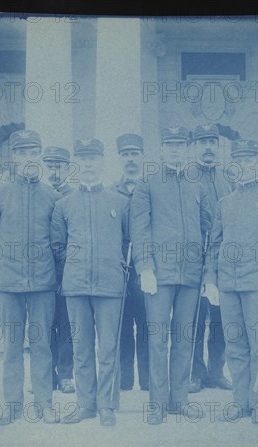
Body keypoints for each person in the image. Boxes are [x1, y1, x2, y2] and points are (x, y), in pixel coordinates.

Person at [204, 139, 258, 424]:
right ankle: (239, 402)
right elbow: (214, 245)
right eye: (239, 162)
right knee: (235, 345)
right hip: (228, 284)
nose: (244, 167)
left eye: (250, 162)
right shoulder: (224, 202)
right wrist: (211, 280)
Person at [129, 126, 211, 425]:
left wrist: (207, 271)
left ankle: (180, 400)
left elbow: (208, 228)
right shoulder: (147, 183)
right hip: (159, 275)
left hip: (190, 275)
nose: (175, 150)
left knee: (185, 339)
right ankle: (157, 403)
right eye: (169, 144)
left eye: (180, 144)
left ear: (187, 149)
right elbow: (139, 230)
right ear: (162, 150)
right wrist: (145, 267)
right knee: (157, 339)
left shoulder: (197, 184)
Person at [0, 129, 60, 425]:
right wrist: (5, 265)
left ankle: (44, 404)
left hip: (42, 284)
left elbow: (58, 242)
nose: (29, 158)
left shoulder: (52, 196)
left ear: (39, 156)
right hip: (9, 285)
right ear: (14, 157)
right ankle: (12, 406)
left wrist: (47, 270)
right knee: (12, 346)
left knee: (41, 346)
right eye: (23, 152)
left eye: (34, 152)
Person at [51, 138, 130, 427]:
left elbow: (128, 241)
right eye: (83, 159)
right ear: (76, 164)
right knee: (80, 347)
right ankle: (85, 405)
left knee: (108, 347)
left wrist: (114, 266)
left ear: (102, 162)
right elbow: (58, 246)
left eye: (93, 158)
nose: (88, 164)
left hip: (110, 286)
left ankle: (106, 405)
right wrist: (75, 268)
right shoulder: (64, 204)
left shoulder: (120, 203)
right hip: (75, 286)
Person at [188, 123, 232, 394]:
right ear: (194, 147)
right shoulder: (186, 177)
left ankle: (217, 371)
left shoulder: (227, 179)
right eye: (202, 142)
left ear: (218, 147)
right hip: (194, 257)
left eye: (212, 142)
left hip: (221, 258)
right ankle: (195, 373)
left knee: (220, 318)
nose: (207, 147)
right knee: (194, 317)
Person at [110, 133, 149, 392]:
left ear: (142, 157)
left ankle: (147, 382)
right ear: (120, 159)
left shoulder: (151, 189)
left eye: (135, 154)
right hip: (120, 269)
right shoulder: (111, 192)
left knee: (147, 325)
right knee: (122, 326)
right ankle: (124, 383)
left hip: (146, 270)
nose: (130, 159)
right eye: (126, 155)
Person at [42, 146, 76, 394]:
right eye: (50, 166)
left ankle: (65, 375)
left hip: (67, 271)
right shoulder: (39, 195)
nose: (54, 171)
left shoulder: (73, 197)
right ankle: (46, 375)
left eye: (59, 166)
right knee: (43, 326)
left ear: (67, 168)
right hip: (42, 273)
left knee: (66, 325)